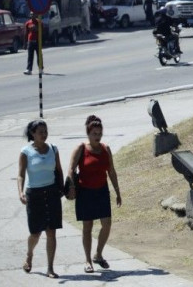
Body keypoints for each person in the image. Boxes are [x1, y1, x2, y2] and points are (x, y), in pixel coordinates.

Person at [66, 115, 122, 274]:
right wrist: (70, 186)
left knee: (107, 224)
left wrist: (117, 191)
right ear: (88, 134)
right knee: (87, 227)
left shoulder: (106, 149)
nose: (97, 136)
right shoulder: (81, 148)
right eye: (94, 134)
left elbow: (111, 171)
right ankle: (88, 260)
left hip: (102, 191)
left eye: (99, 133)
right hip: (85, 192)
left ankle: (98, 254)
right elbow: (71, 168)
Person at [17, 119, 64, 279]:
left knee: (51, 232)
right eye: (40, 132)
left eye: (45, 131)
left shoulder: (53, 149)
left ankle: (50, 268)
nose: (44, 135)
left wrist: (62, 188)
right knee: (35, 233)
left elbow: (59, 170)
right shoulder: (26, 152)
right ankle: (29, 254)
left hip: (51, 193)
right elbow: (20, 174)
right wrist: (21, 193)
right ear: (33, 134)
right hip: (34, 194)